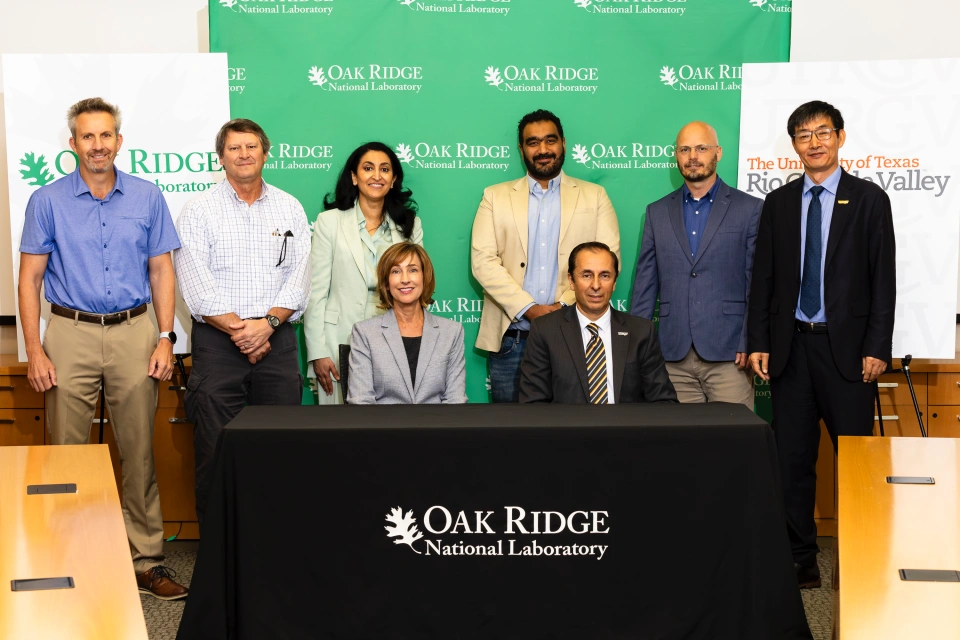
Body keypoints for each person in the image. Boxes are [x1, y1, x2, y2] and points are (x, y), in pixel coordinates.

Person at [18, 97, 187, 599]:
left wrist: (164, 337)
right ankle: (69, 558)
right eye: (88, 136)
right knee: (66, 455)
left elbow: (161, 270)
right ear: (72, 144)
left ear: (119, 141)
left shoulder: (147, 196)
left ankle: (146, 562)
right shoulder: (46, 201)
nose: (98, 145)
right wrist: (36, 350)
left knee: (138, 455)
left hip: (137, 332)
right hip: (69, 333)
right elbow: (29, 280)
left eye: (106, 135)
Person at [747, 100, 896, 588]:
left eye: (823, 132)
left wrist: (877, 346)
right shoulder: (780, 203)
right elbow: (764, 280)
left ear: (841, 137)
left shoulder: (869, 199)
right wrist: (759, 341)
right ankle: (800, 558)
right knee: (792, 461)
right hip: (792, 351)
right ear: (793, 145)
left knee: (855, 461)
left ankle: (859, 555)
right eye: (803, 134)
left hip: (850, 354)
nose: (814, 142)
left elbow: (882, 280)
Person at [174, 118, 310, 527]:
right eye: (235, 148)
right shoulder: (199, 210)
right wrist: (244, 331)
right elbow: (196, 285)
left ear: (266, 153)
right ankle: (219, 558)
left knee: (282, 452)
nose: (244, 154)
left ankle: (278, 553)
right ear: (221, 157)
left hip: (279, 343)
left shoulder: (290, 206)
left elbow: (301, 276)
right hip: (218, 347)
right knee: (216, 453)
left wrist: (266, 325)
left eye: (252, 146)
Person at [472, 109, 621, 403]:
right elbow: (483, 261)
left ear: (564, 143)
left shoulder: (595, 196)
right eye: (533, 142)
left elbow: (609, 260)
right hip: (512, 339)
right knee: (511, 436)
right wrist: (529, 309)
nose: (542, 150)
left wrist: (560, 306)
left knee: (573, 434)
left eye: (550, 141)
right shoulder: (494, 196)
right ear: (521, 149)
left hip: (576, 335)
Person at [631, 121, 761, 407]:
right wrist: (639, 349)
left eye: (701, 148)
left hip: (730, 355)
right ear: (676, 155)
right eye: (685, 149)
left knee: (732, 445)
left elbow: (757, 284)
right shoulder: (657, 212)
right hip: (671, 355)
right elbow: (644, 287)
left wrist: (748, 341)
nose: (693, 157)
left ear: (718, 153)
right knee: (680, 447)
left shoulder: (750, 209)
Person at [304, 142, 423, 405]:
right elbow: (316, 291)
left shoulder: (409, 225)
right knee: (340, 431)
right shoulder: (330, 221)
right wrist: (317, 352)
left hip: (395, 336)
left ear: (393, 180)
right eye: (368, 168)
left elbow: (416, 287)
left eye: (384, 169)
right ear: (355, 177)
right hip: (338, 340)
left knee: (390, 427)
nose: (376, 176)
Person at [519, 242, 677, 404]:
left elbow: (663, 401)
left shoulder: (641, 331)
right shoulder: (545, 330)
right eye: (586, 275)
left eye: (605, 276)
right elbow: (534, 403)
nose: (596, 285)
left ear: (614, 282)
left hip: (626, 428)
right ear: (571, 281)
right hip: (567, 428)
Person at [348, 243, 466, 404]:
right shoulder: (364, 332)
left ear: (425, 277)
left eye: (413, 270)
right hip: (383, 427)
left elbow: (455, 399)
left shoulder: (452, 332)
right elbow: (361, 400)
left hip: (437, 426)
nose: (405, 279)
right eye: (396, 271)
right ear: (386, 283)